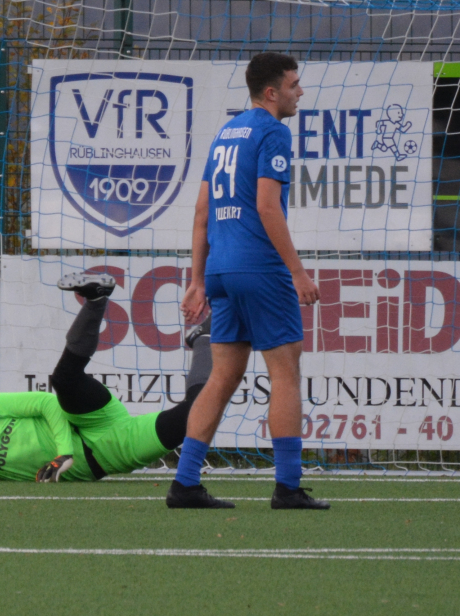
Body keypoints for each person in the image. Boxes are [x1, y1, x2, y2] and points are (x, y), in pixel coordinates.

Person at [166, 52, 328, 510]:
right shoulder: (273, 131)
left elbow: (202, 212)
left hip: (221, 269)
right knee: (285, 372)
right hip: (259, 268)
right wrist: (297, 271)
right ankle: (288, 487)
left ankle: (184, 483)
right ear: (272, 92)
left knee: (223, 376)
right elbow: (267, 206)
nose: (300, 92)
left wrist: (198, 280)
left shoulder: (226, 133)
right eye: (294, 84)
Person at [0, 273, 212, 482]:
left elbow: (47, 404)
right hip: (109, 453)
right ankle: (204, 339)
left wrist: (64, 454)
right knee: (197, 411)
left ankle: (96, 299)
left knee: (64, 380)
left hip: (88, 417)